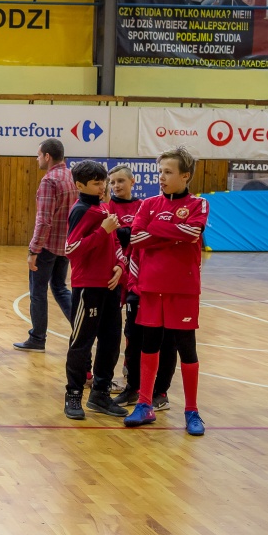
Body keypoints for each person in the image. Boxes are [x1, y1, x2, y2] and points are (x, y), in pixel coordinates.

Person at [123, 146, 209, 436]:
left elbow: (193, 232)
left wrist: (156, 230)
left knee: (187, 348)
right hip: (150, 288)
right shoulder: (148, 204)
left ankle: (192, 410)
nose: (161, 177)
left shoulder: (199, 204)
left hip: (183, 290)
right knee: (149, 345)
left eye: (168, 172)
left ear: (185, 176)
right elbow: (136, 238)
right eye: (160, 171)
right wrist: (174, 232)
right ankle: (144, 404)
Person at [105, 165, 179, 410]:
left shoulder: (146, 206)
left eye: (121, 181)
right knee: (129, 334)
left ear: (132, 181)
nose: (116, 186)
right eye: (112, 182)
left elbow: (139, 235)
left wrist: (133, 232)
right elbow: (120, 237)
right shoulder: (109, 207)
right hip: (122, 278)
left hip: (153, 279)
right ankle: (130, 386)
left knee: (165, 339)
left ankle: (159, 391)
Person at [62, 160, 129, 421]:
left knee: (111, 342)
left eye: (103, 182)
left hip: (109, 287)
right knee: (82, 343)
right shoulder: (81, 210)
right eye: (96, 183)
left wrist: (120, 266)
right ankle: (73, 394)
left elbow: (116, 244)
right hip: (88, 287)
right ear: (80, 185)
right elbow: (71, 249)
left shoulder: (103, 207)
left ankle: (100, 394)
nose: (102, 187)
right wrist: (102, 231)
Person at [15, 139, 76, 352]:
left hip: (47, 246)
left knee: (38, 291)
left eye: (38, 155)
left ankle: (37, 338)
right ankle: (81, 326)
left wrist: (34, 250)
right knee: (60, 288)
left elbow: (44, 221)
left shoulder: (49, 181)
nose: (37, 159)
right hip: (66, 244)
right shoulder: (71, 176)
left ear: (47, 156)